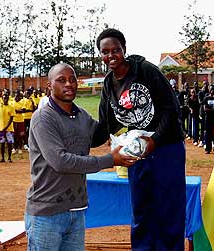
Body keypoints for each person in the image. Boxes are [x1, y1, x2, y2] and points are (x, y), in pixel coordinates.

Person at [24, 63, 135, 251]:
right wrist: (110, 159)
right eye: (61, 80)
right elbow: (61, 161)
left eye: (73, 79)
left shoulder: (81, 115)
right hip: (47, 212)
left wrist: (121, 108)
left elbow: (98, 135)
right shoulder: (43, 118)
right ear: (49, 86)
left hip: (77, 210)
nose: (69, 84)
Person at [94, 28, 186, 250]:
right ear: (100, 55)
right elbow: (105, 124)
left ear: (124, 49)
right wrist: (73, 136)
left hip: (166, 148)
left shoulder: (146, 71)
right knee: (141, 209)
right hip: (137, 152)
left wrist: (154, 141)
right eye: (105, 52)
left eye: (115, 49)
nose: (111, 55)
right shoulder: (108, 84)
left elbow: (171, 109)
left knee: (169, 208)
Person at [0, 94, 15, 163]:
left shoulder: (11, 107)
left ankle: (9, 157)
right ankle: (2, 158)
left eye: (6, 99)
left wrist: (6, 127)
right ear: (2, 98)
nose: (5, 100)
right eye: (4, 98)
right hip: (0, 128)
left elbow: (11, 118)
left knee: (9, 143)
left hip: (9, 128)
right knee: (2, 143)